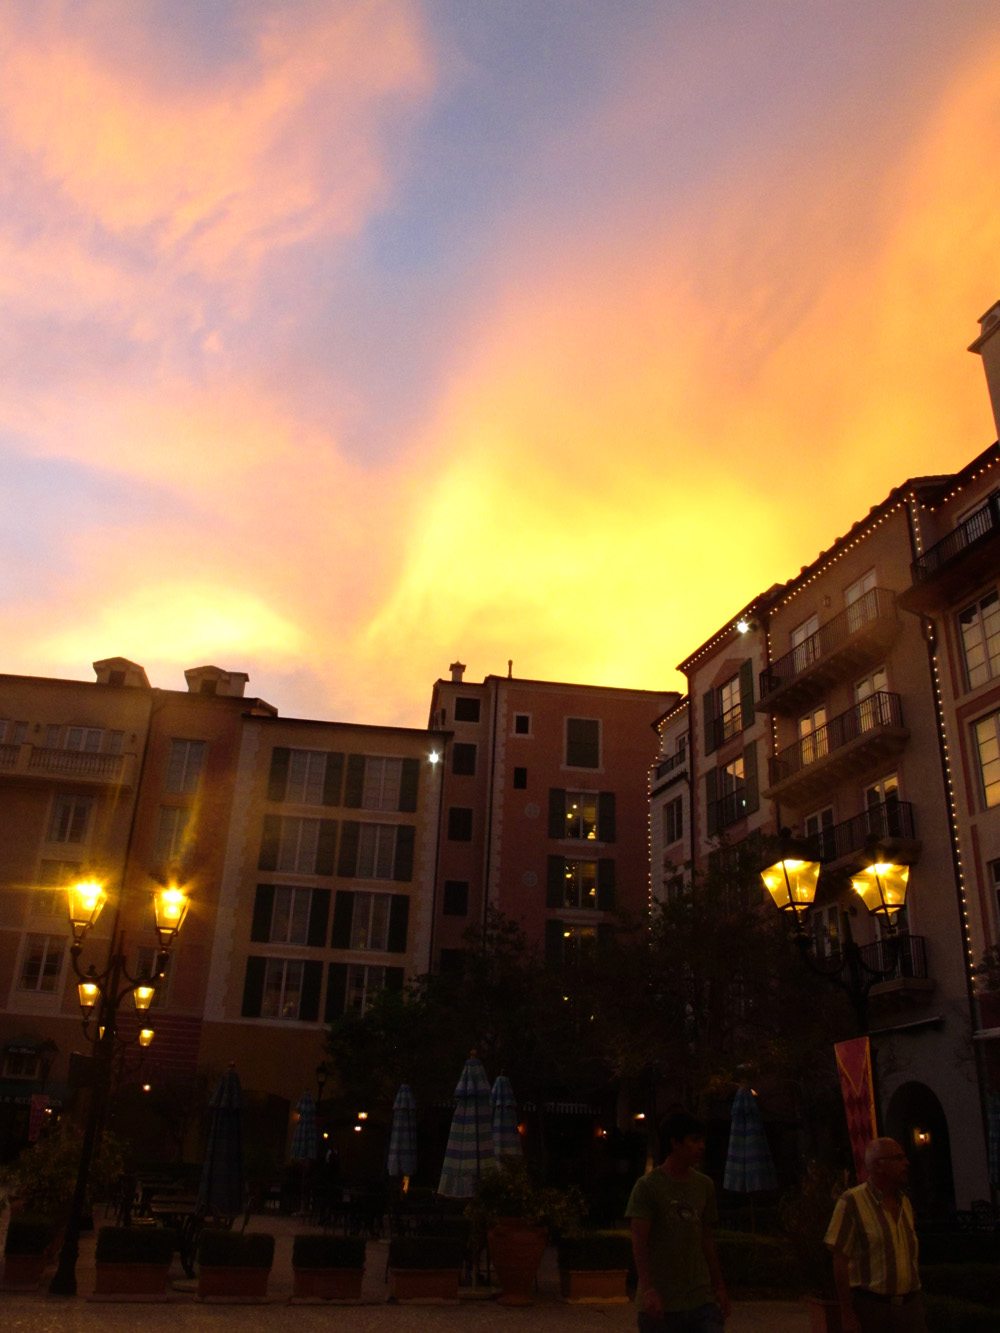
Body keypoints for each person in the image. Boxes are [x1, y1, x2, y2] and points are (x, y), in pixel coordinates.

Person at [626, 1110, 729, 1332]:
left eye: (703, 1140)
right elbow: (639, 1242)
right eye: (694, 1140)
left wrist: (719, 1286)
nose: (701, 1146)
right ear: (675, 1143)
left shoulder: (704, 1185)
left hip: (701, 1299)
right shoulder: (648, 1187)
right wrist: (648, 1290)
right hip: (662, 1301)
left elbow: (706, 1238)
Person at [824, 1137, 926, 1333]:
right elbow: (839, 1260)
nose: (907, 1163)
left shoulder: (905, 1203)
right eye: (899, 1158)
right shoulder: (852, 1202)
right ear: (879, 1165)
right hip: (873, 1308)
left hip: (910, 1307)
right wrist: (847, 1314)